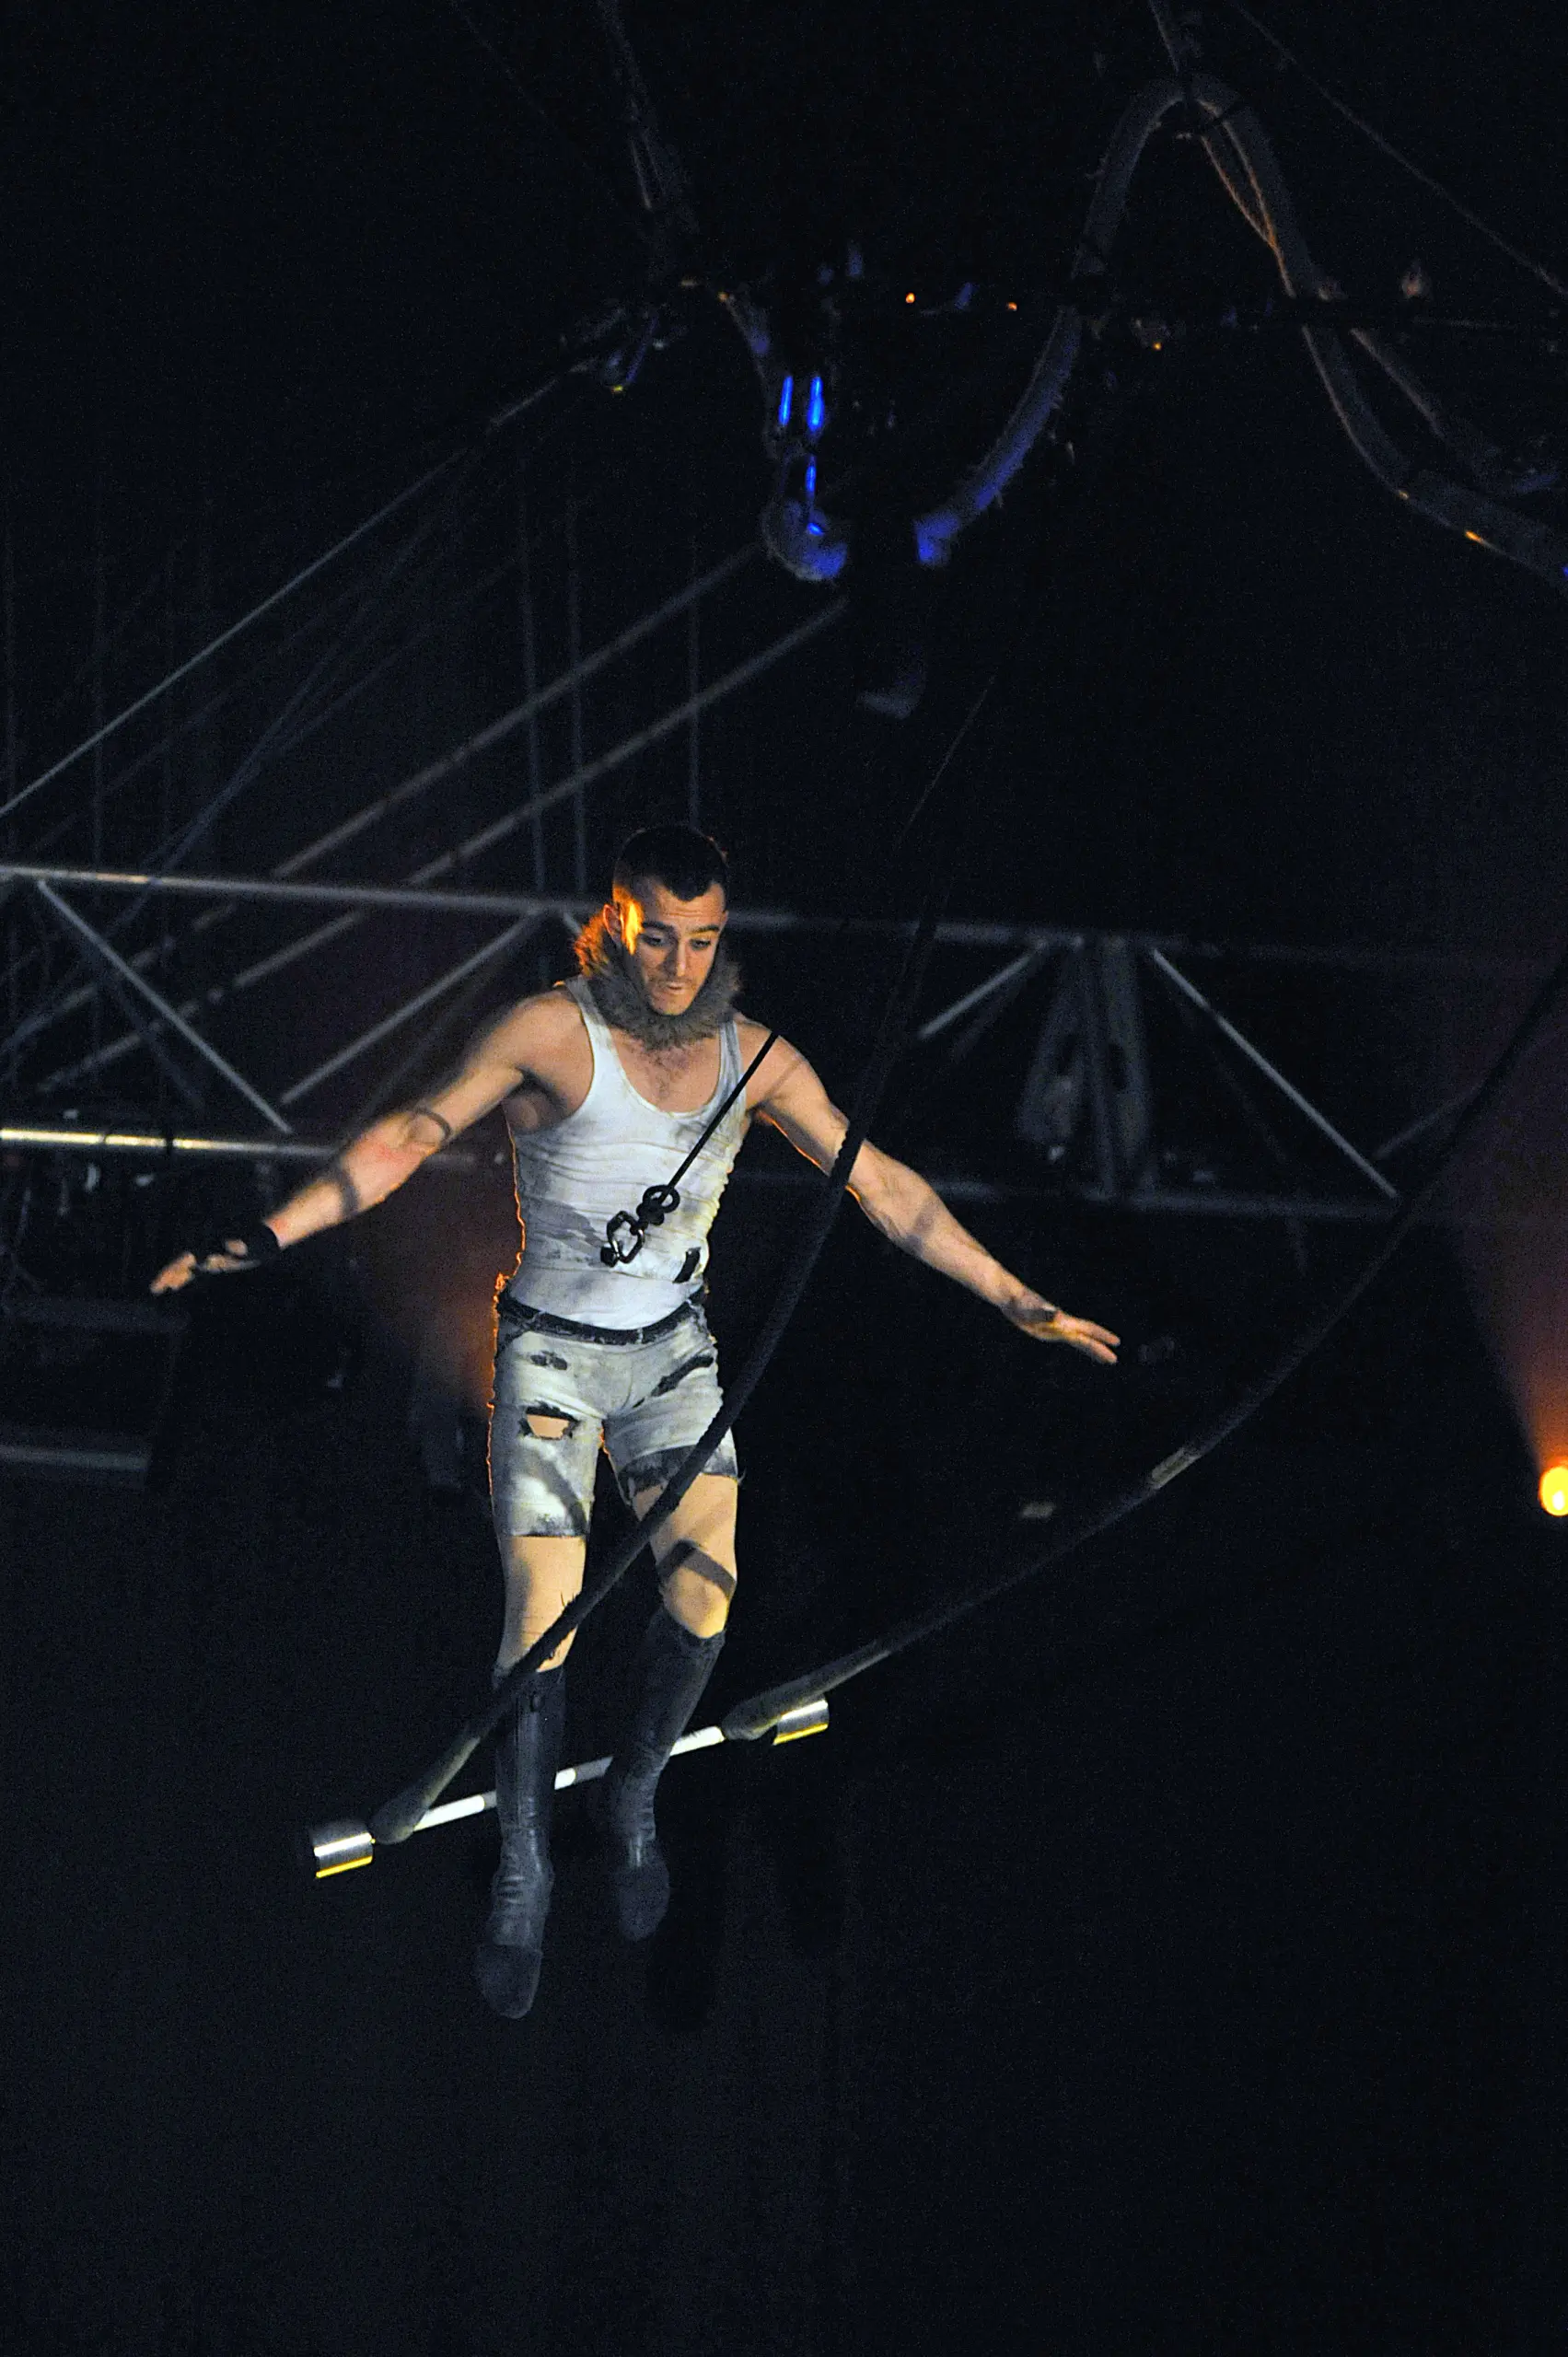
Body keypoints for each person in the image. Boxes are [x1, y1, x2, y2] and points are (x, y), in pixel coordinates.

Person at [153, 823, 1119, 2016]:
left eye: (700, 941)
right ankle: (520, 1867)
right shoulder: (547, 1034)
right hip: (553, 1357)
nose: (675, 965)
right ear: (615, 923)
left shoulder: (756, 1061)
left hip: (669, 1360)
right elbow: (410, 1134)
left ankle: (634, 1792)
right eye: (656, 937)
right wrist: (268, 1235)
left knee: (704, 1606)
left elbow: (882, 1188)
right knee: (539, 1626)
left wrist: (1016, 1300)